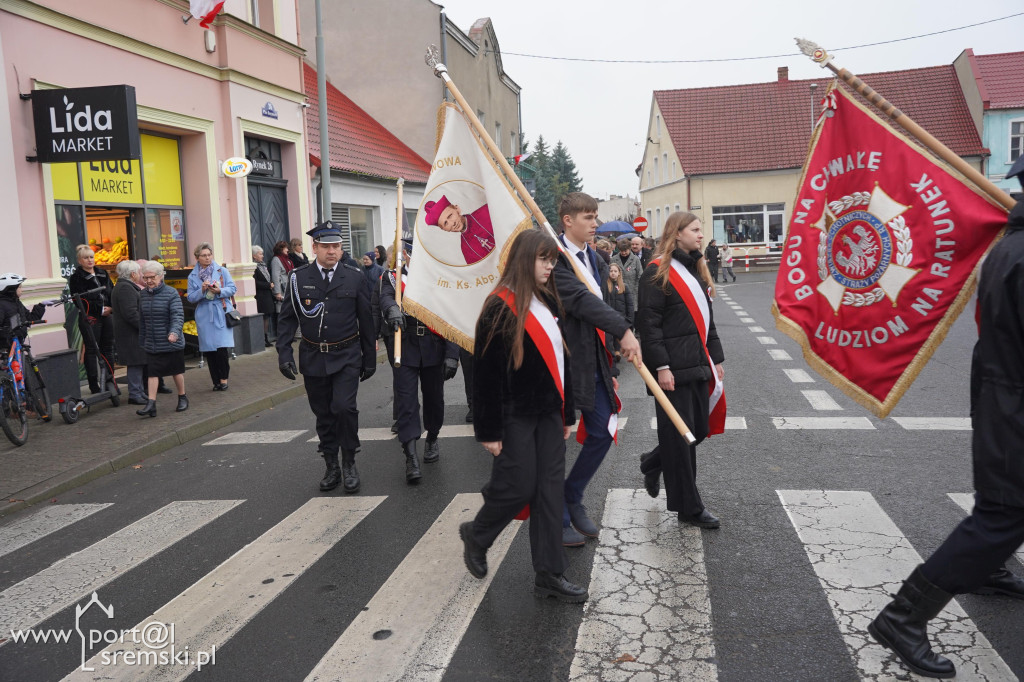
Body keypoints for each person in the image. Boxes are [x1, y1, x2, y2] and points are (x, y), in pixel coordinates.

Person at [867, 160, 1024, 679]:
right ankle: (904, 616)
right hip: (1014, 408)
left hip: (1004, 400)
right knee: (1002, 515)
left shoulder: (1008, 247)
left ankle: (989, 569)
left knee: (1002, 514)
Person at [459, 229, 587, 603]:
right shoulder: (499, 307)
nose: (550, 267)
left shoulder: (547, 301)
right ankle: (478, 534)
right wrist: (488, 430)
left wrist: (566, 413)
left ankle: (549, 573)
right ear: (523, 260)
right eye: (543, 259)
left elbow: (559, 364)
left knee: (549, 492)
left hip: (547, 414)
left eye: (552, 260)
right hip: (512, 414)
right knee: (517, 486)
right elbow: (485, 374)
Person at [553, 192, 640, 547]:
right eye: (588, 217)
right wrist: (623, 330)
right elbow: (579, 300)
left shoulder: (597, 257)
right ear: (567, 221)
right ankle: (556, 515)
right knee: (556, 440)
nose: (595, 223)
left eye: (595, 216)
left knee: (604, 430)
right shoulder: (553, 258)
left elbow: (609, 299)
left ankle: (571, 495)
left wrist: (620, 329)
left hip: (594, 359)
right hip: (560, 360)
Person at [637, 212, 724, 530]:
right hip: (671, 370)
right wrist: (661, 367)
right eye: (696, 230)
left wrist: (715, 360)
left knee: (697, 431)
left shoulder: (695, 269)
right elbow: (649, 325)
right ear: (677, 234)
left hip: (698, 365)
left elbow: (706, 321)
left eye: (701, 230)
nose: (701, 235)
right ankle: (689, 507)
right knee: (681, 438)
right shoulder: (656, 272)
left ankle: (651, 462)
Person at [276, 222, 376, 494]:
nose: (332, 251)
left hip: (346, 355)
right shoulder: (299, 278)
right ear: (315, 247)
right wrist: (284, 354)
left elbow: (366, 320)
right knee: (324, 414)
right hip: (313, 356)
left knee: (344, 408)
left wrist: (370, 359)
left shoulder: (355, 277)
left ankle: (349, 462)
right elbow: (286, 320)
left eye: (336, 246)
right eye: (326, 246)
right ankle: (331, 464)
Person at [378, 240, 460, 483]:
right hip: (405, 346)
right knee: (406, 402)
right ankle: (410, 454)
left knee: (435, 400)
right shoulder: (392, 278)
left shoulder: (442, 279)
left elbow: (451, 317)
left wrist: (452, 354)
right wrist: (392, 308)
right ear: (406, 255)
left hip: (434, 347)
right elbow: (384, 298)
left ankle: (432, 437)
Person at [136, 260, 188, 417]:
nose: (149, 281)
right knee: (152, 373)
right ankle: (151, 404)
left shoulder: (171, 293)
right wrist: (142, 339)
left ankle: (182, 397)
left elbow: (177, 315)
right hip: (152, 342)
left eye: (152, 277)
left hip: (170, 341)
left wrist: (174, 332)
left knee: (176, 371)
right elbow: (142, 319)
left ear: (161, 276)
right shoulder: (142, 295)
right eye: (145, 278)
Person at [187, 243, 237, 391]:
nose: (207, 258)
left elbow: (233, 288)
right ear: (197, 258)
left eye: (209, 255)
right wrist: (202, 290)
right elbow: (190, 297)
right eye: (204, 255)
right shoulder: (192, 276)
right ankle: (215, 381)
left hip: (220, 311)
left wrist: (219, 290)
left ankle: (224, 380)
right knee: (209, 350)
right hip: (204, 313)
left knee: (222, 349)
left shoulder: (222, 271)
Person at [67, 244, 115, 394]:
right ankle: (94, 384)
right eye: (86, 258)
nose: (90, 260)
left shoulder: (102, 273)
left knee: (107, 348)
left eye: (91, 257)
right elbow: (79, 300)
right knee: (91, 350)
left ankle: (109, 381)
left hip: (107, 316)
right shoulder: (76, 278)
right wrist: (99, 310)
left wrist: (111, 307)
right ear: (80, 260)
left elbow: (111, 292)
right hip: (90, 317)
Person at [111, 260, 149, 405]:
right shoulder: (126, 288)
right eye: (139, 272)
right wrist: (145, 327)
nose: (140, 275)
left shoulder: (124, 286)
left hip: (130, 333)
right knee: (135, 363)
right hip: (131, 334)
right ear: (133, 274)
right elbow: (131, 313)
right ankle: (135, 394)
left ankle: (138, 392)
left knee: (137, 363)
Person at [424, 195, 495, 265]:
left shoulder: (487, 210)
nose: (452, 223)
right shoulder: (465, 248)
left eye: (450, 216)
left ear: (457, 209)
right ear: (444, 229)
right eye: (446, 223)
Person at [0, 274, 46, 351]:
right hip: (6, 345)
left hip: (18, 341)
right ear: (11, 289)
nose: (22, 290)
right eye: (19, 287)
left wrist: (41, 305)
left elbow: (31, 318)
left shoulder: (17, 303)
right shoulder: (1, 305)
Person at [604, 263, 633, 361]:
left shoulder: (624, 286)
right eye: (611, 271)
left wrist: (630, 318)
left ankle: (617, 351)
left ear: (619, 273)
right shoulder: (605, 286)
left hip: (621, 315)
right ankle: (612, 352)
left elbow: (629, 304)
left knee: (617, 333)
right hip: (609, 315)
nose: (613, 273)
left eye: (615, 271)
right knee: (610, 334)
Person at [252, 245, 276, 347]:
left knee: (267, 317)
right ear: (254, 256)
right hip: (261, 296)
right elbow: (254, 282)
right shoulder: (253, 267)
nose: (262, 256)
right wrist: (268, 285)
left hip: (267, 295)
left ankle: (265, 338)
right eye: (260, 254)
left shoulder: (263, 265)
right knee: (263, 317)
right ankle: (262, 339)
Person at [615, 237, 642, 313]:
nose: (623, 253)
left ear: (629, 249)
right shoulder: (614, 259)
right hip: (618, 292)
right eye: (621, 251)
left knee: (632, 314)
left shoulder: (635, 259)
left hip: (633, 292)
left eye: (625, 251)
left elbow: (640, 276)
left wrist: (636, 289)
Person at [270, 240, 293, 322]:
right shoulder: (276, 259)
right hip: (282, 290)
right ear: (281, 249)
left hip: (289, 289)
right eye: (286, 248)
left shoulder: (288, 260)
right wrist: (277, 292)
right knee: (282, 312)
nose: (288, 250)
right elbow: (275, 277)